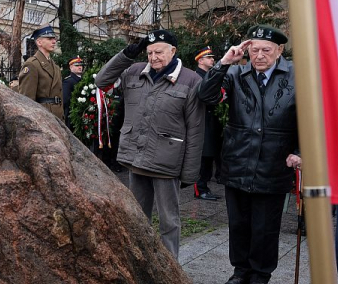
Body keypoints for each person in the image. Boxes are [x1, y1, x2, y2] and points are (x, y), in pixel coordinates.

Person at [198, 25, 300, 284]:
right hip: (238, 159)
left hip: (274, 162)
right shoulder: (234, 73)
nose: (259, 55)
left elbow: (311, 118)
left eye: (266, 50)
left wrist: (300, 150)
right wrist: (224, 62)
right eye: (254, 49)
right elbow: (205, 96)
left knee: (266, 226)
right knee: (239, 222)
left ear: (279, 51)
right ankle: (240, 271)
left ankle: (260, 276)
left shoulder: (297, 76)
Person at [95, 29, 204, 259]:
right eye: (149, 52)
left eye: (159, 52)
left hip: (166, 163)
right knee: (136, 217)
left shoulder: (190, 79)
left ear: (173, 51)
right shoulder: (134, 71)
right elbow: (101, 80)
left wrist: (190, 173)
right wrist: (127, 54)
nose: (153, 57)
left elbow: (195, 129)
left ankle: (170, 270)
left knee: (169, 222)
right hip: (136, 158)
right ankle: (139, 263)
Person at [192, 46, 222, 201]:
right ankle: (200, 189)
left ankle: (204, 187)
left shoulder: (209, 75)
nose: (212, 60)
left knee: (210, 156)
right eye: (209, 57)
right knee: (204, 157)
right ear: (201, 60)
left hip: (211, 121)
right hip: (202, 121)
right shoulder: (197, 77)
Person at [18, 26, 63, 120]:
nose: (54, 41)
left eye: (54, 38)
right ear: (39, 42)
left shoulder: (55, 66)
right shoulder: (32, 65)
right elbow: (26, 100)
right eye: (49, 39)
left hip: (57, 117)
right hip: (42, 118)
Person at [63, 56, 83, 131]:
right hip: (72, 115)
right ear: (71, 67)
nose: (80, 67)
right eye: (77, 65)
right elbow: (65, 100)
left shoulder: (83, 80)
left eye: (80, 65)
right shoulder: (68, 81)